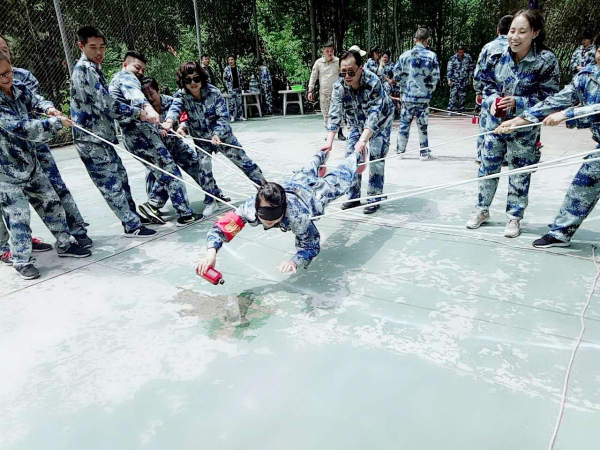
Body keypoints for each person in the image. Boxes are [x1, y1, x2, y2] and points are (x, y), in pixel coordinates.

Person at [197, 146, 367, 275]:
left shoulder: (298, 217)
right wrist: (211, 254)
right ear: (257, 208)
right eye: (265, 216)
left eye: (274, 218)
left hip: (313, 196)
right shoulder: (249, 208)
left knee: (342, 176)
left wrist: (295, 261)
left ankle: (357, 152)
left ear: (283, 211)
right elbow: (220, 229)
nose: (269, 222)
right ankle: (321, 154)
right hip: (293, 183)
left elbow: (311, 245)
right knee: (309, 167)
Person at [466, 9, 560, 238]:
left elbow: (551, 98)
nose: (514, 37)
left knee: (520, 171)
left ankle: (514, 217)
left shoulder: (546, 60)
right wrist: (492, 100)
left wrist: (518, 103)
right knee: (487, 167)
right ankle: (482, 209)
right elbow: (482, 84)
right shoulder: (493, 52)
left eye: (522, 32)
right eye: (512, 31)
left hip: (524, 128)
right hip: (494, 124)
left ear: (535, 33)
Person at [495, 44, 600, 248]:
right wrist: (521, 120)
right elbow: (558, 99)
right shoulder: (588, 76)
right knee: (582, 185)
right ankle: (561, 233)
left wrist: (566, 115)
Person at [0, 51, 92, 279]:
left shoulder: (19, 87)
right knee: (19, 217)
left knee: (51, 202)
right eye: (1, 75)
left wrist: (49, 108)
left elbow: (37, 100)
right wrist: (54, 123)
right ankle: (22, 261)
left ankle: (65, 243)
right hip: (6, 172)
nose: (6, 78)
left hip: (30, 163)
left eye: (8, 71)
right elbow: (21, 127)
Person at [70, 26, 156, 238]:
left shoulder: (94, 68)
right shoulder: (84, 70)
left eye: (102, 47)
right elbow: (107, 105)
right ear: (81, 46)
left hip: (103, 137)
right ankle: (132, 225)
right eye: (93, 47)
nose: (99, 52)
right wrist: (139, 113)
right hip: (90, 139)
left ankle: (132, 217)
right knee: (111, 184)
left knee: (120, 177)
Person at [109, 51, 199, 226]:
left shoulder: (115, 80)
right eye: (137, 67)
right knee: (169, 171)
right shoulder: (126, 78)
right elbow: (136, 96)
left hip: (133, 135)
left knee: (164, 172)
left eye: (143, 69)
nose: (140, 72)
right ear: (125, 65)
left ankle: (152, 207)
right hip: (140, 134)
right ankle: (184, 214)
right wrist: (148, 110)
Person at [162, 62, 266, 203]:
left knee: (245, 163)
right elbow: (175, 109)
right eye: (188, 80)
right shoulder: (181, 95)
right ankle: (211, 200)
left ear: (202, 78)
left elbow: (223, 117)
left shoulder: (214, 92)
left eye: (196, 78)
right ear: (183, 81)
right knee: (204, 169)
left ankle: (266, 191)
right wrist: (170, 122)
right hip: (201, 140)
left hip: (223, 137)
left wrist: (216, 134)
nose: (193, 83)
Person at [140, 77, 224, 219]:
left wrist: (179, 128)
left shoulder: (173, 102)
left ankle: (213, 193)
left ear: (158, 90)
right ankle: (153, 205)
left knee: (197, 165)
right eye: (146, 96)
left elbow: (184, 119)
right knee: (162, 174)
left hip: (176, 144)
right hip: (158, 151)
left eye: (152, 94)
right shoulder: (143, 109)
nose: (150, 98)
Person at [323, 48, 395, 215]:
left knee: (376, 156)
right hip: (356, 122)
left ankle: (374, 197)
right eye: (343, 72)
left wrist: (363, 141)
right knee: (351, 156)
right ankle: (353, 196)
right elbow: (334, 114)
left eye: (351, 72)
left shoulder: (373, 82)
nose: (347, 76)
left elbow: (374, 115)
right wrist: (328, 143)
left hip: (380, 121)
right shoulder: (339, 86)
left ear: (360, 68)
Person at [393, 27, 440, 160]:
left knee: (404, 124)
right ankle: (424, 153)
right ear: (427, 41)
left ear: (415, 40)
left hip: (407, 97)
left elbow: (396, 75)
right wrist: (428, 91)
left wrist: (404, 87)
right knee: (422, 125)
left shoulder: (404, 55)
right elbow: (435, 77)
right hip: (423, 98)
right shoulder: (431, 56)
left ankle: (400, 151)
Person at [473, 15, 513, 163]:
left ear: (498, 30)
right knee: (510, 125)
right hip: (512, 96)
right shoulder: (520, 46)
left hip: (490, 94)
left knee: (486, 124)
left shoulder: (488, 47)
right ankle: (507, 157)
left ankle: (482, 155)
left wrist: (478, 91)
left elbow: (479, 73)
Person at [308, 42, 346, 141]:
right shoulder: (318, 62)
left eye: (331, 51)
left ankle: (340, 133)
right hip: (324, 93)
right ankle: (329, 133)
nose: (330, 53)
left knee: (338, 112)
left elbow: (343, 75)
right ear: (323, 51)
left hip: (337, 93)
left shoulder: (338, 61)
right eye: (327, 51)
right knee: (326, 113)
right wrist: (310, 90)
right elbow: (313, 76)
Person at [446, 46, 473, 114]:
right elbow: (449, 69)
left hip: (464, 80)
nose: (461, 53)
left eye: (462, 52)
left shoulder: (468, 57)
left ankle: (461, 110)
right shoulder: (452, 58)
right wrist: (449, 79)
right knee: (453, 96)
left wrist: (470, 77)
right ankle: (450, 110)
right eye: (459, 52)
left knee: (462, 96)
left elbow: (471, 68)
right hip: (454, 80)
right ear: (457, 51)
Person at [222, 55, 245, 121]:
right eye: (229, 60)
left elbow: (242, 78)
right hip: (230, 89)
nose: (230, 61)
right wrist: (227, 87)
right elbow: (224, 79)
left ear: (234, 60)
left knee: (239, 103)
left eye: (232, 59)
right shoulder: (226, 69)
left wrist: (242, 86)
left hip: (238, 88)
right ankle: (231, 116)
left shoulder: (238, 68)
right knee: (231, 104)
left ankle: (240, 116)